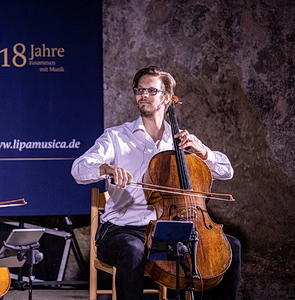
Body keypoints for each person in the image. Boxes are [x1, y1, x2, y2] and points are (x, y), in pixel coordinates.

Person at [71, 66, 241, 299]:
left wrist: (202, 151)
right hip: (124, 230)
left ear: (167, 98)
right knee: (133, 250)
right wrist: (106, 168)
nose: (143, 95)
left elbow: (226, 170)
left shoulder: (181, 141)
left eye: (151, 90)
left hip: (171, 230)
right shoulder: (116, 137)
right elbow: (78, 169)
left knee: (229, 247)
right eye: (139, 90)